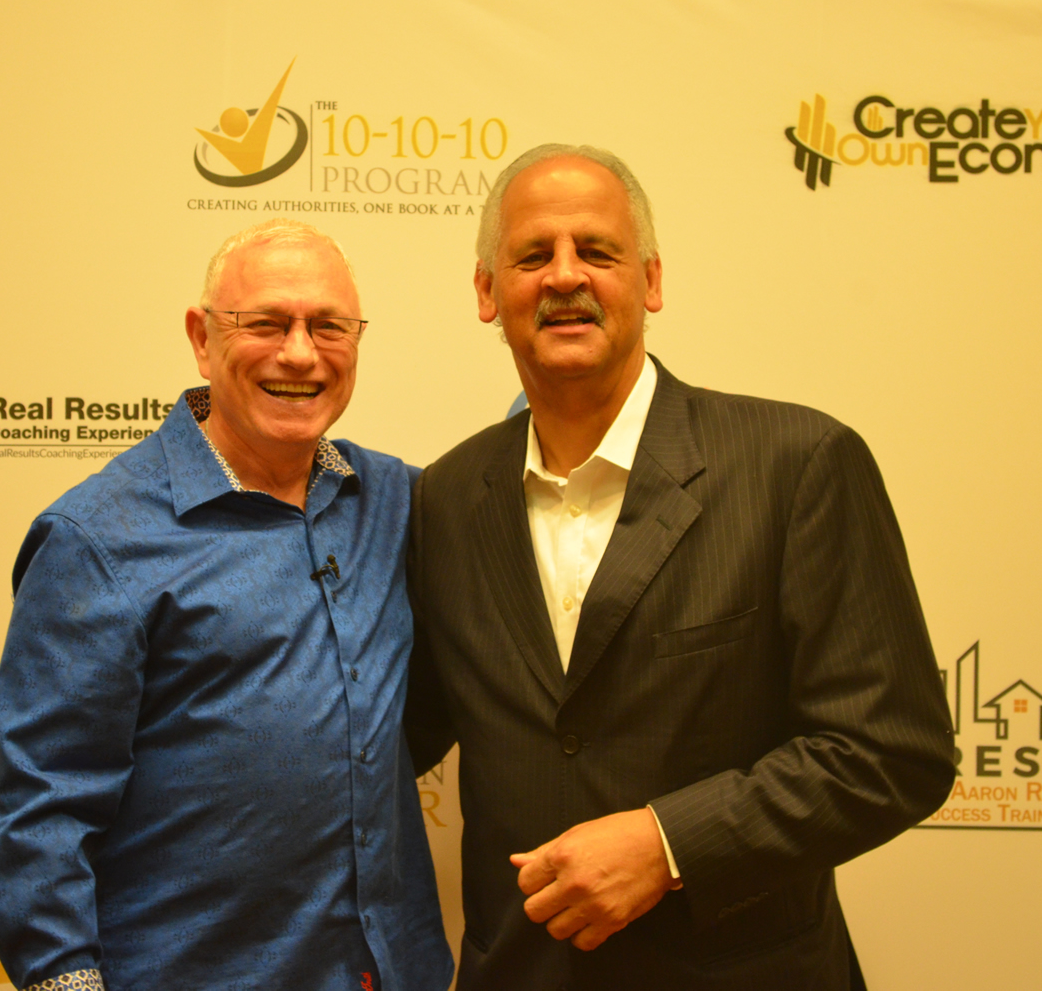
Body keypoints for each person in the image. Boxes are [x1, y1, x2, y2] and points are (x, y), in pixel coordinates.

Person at [404, 144, 955, 990]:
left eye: (597, 251)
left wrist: (669, 845)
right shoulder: (444, 499)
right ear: (487, 292)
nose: (564, 276)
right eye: (532, 255)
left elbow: (892, 752)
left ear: (651, 281)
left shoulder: (797, 464)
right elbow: (393, 733)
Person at [0, 219, 452, 991]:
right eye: (264, 323)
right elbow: (39, 813)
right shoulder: (97, 539)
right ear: (202, 339)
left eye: (329, 326)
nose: (299, 353)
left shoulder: (397, 502)